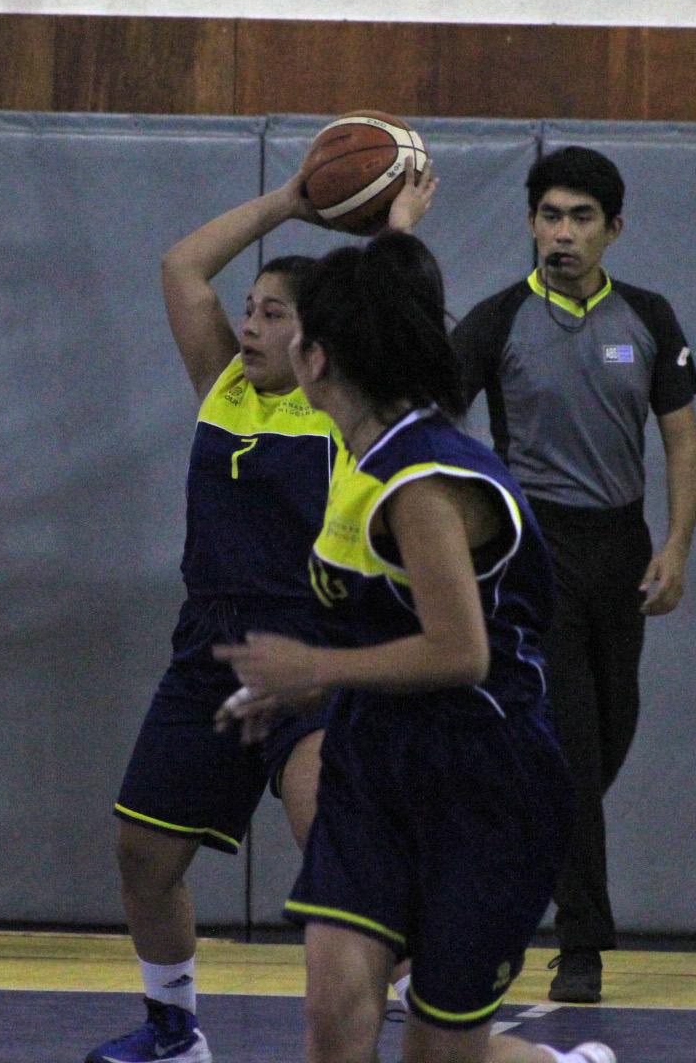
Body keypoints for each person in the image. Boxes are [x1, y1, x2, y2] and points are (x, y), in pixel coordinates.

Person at [215, 230, 612, 1063]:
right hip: (372, 762)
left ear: (317, 359)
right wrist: (305, 687)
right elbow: (376, 627)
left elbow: (460, 653)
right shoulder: (362, 458)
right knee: (332, 1012)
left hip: (483, 777)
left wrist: (315, 666)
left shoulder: (422, 479)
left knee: (438, 1057)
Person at [88, 168, 435, 1063]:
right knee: (143, 854)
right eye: (248, 308)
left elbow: (397, 320)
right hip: (210, 645)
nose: (248, 324)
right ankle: (174, 1030)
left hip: (313, 645)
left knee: (329, 830)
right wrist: (289, 201)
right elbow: (181, 267)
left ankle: (437, 1000)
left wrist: (394, 227)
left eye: (273, 314)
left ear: (317, 342)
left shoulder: (341, 407)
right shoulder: (223, 386)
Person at [449, 145, 696, 1002]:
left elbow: (683, 441)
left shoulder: (648, 317)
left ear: (614, 229)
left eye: (581, 219)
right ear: (531, 223)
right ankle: (582, 944)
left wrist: (676, 546)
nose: (563, 234)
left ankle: (510, 843)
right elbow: (431, 422)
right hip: (536, 552)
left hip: (622, 546)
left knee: (607, 733)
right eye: (550, 217)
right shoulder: (495, 322)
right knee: (573, 746)